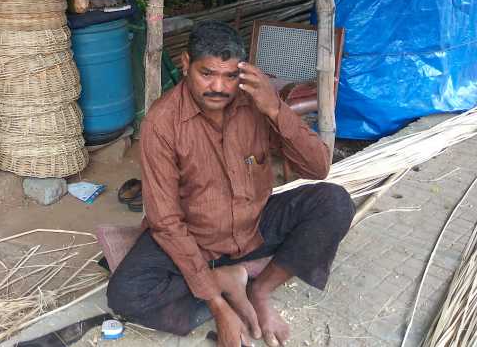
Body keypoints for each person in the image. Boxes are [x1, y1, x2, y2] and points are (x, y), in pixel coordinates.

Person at [106, 21, 355, 347]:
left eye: (230, 76)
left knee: (334, 202)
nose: (219, 88)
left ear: (243, 73)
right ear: (185, 65)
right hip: (196, 238)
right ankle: (223, 281)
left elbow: (318, 167)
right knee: (125, 293)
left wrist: (275, 108)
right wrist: (218, 305)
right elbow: (165, 221)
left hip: (254, 227)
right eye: (207, 74)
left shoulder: (256, 103)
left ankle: (260, 290)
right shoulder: (162, 123)